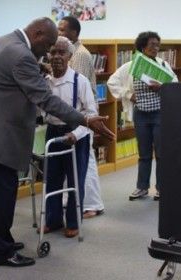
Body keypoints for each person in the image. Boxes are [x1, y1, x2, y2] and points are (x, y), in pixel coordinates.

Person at [0, 17, 114, 267]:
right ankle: (1, 252)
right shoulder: (21, 55)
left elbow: (12, 76)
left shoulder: (3, 41)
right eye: (47, 46)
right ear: (36, 34)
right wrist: (85, 120)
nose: (47, 53)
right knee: (0, 196)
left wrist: (38, 69)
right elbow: (46, 99)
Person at [107, 31, 178, 201]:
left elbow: (175, 83)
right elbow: (112, 82)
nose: (155, 48)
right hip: (141, 115)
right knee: (144, 153)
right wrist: (128, 94)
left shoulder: (162, 64)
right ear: (142, 46)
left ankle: (162, 188)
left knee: (161, 153)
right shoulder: (131, 66)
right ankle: (142, 187)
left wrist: (162, 87)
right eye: (152, 44)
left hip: (160, 113)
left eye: (157, 44)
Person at [41, 36, 96, 237]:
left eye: (61, 52)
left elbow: (91, 114)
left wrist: (76, 133)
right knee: (52, 179)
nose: (56, 57)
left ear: (70, 56)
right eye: (53, 52)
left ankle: (73, 222)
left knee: (75, 180)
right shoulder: (45, 82)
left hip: (76, 135)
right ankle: (53, 220)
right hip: (53, 133)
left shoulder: (79, 81)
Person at [58, 16, 105, 219]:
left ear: (75, 33)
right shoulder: (71, 52)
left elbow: (77, 87)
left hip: (84, 116)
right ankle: (75, 201)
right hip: (76, 117)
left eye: (62, 30)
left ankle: (92, 204)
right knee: (78, 162)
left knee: (86, 162)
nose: (58, 33)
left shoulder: (79, 54)